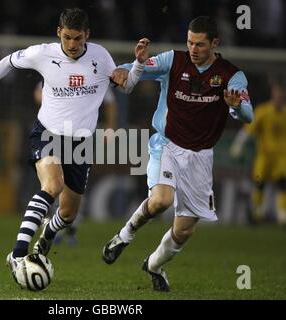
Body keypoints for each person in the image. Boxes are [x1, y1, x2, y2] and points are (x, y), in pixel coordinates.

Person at [0, 8, 147, 285]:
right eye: (68, 37)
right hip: (48, 133)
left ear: (87, 35)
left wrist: (137, 65)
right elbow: (7, 62)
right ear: (59, 32)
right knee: (52, 185)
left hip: (81, 142)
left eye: (78, 39)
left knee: (68, 213)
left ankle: (47, 236)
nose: (72, 45)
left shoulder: (101, 57)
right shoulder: (43, 53)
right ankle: (18, 253)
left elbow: (127, 86)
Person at [102, 16, 253, 292]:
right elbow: (141, 67)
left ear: (215, 43)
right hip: (167, 145)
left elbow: (248, 115)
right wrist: (122, 70)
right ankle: (123, 236)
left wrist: (237, 106)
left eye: (200, 44)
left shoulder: (232, 76)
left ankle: (154, 265)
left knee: (184, 230)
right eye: (190, 42)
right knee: (161, 200)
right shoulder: (173, 61)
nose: (193, 49)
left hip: (201, 157)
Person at [33, 80, 118, 245]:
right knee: (55, 183)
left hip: (81, 136)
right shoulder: (57, 70)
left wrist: (109, 127)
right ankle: (55, 228)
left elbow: (110, 103)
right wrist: (55, 103)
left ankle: (71, 228)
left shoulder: (94, 76)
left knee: (75, 185)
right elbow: (38, 92)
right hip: (55, 134)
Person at [230, 79, 286, 226]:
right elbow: (249, 129)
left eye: (281, 94)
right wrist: (239, 145)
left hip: (282, 157)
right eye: (277, 93)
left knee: (283, 182)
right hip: (264, 156)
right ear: (273, 94)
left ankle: (282, 215)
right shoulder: (263, 111)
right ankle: (256, 213)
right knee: (259, 183)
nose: (279, 96)